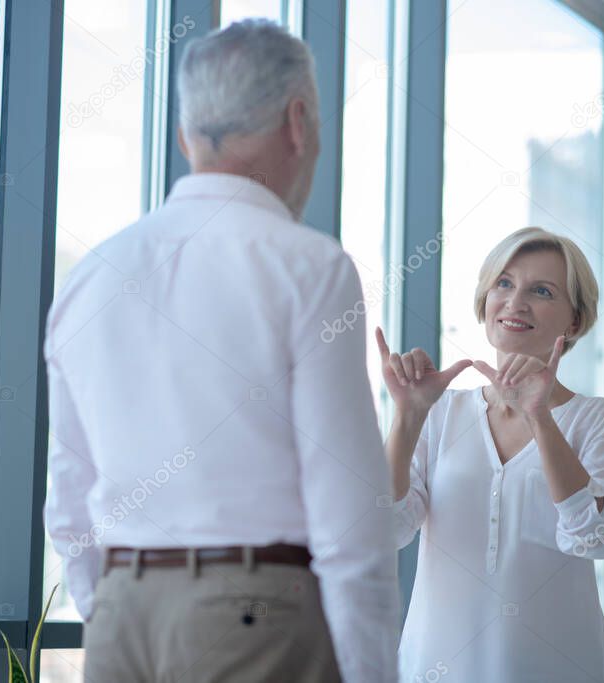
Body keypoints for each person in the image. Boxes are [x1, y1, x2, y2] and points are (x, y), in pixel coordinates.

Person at [44, 20, 399, 683]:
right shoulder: (310, 268)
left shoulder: (90, 275)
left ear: (185, 136)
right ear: (299, 121)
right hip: (255, 613)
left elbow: (69, 494)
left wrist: (112, 606)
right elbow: (348, 517)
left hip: (122, 614)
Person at [380, 227, 604, 682]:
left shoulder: (599, 420)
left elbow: (600, 537)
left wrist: (540, 416)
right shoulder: (439, 414)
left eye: (541, 291)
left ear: (574, 322)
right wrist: (406, 418)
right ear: (485, 299)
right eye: (504, 283)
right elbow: (382, 531)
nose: (516, 302)